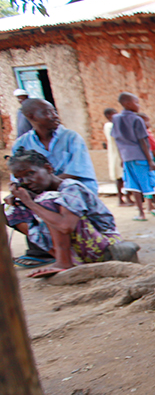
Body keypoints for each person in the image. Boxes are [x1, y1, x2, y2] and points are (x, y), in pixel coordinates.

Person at [8, 98, 99, 268]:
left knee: (49, 200)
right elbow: (17, 176)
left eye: (54, 111)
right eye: (48, 112)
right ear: (31, 116)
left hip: (73, 191)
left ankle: (64, 260)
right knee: (9, 209)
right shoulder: (22, 143)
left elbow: (76, 172)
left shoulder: (71, 138)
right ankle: (51, 252)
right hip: (42, 193)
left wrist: (41, 192)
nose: (55, 116)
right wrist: (16, 190)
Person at [4, 149, 122, 279]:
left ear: (48, 169)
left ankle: (64, 262)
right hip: (80, 251)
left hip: (103, 246)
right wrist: (24, 201)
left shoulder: (71, 187)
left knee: (46, 200)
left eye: (30, 173)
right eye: (20, 178)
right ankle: (64, 258)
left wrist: (30, 203)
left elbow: (66, 226)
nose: (26, 181)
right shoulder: (41, 194)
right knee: (11, 209)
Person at [110, 92, 155, 221]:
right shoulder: (137, 119)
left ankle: (141, 213)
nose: (138, 105)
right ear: (127, 103)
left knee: (134, 186)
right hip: (140, 157)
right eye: (136, 102)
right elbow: (143, 141)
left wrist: (122, 158)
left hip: (127, 157)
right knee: (149, 183)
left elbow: (117, 140)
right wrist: (150, 160)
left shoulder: (116, 119)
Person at [104, 108, 134, 207]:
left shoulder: (116, 126)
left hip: (122, 153)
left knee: (125, 176)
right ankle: (121, 199)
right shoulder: (109, 126)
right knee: (119, 177)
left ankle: (128, 197)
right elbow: (116, 138)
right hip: (117, 154)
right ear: (109, 116)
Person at [137, 112, 155, 217]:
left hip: (151, 160)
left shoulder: (147, 133)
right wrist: (151, 160)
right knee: (151, 184)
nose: (149, 123)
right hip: (149, 161)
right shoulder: (144, 134)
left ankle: (151, 205)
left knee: (151, 183)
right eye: (146, 121)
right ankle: (152, 206)